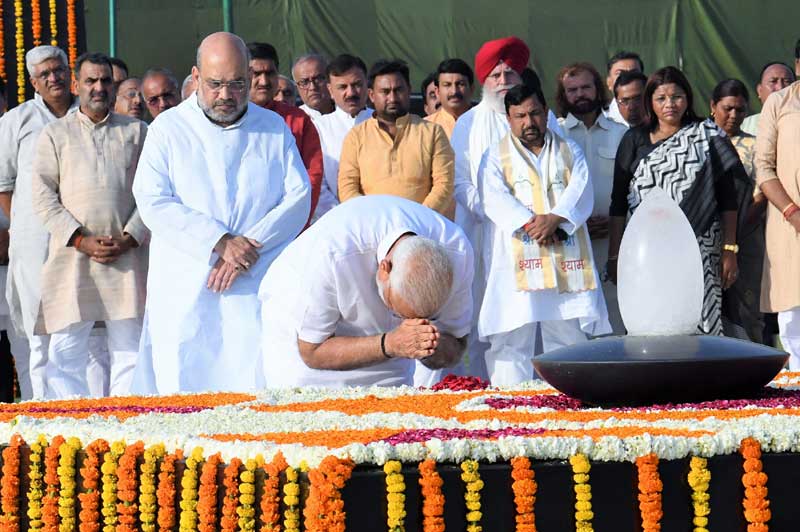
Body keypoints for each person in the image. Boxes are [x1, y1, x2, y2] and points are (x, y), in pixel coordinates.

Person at [131, 32, 310, 394]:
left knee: (256, 384)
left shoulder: (273, 127)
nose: (226, 95)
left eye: (236, 84)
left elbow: (298, 197)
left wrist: (245, 249)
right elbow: (151, 199)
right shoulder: (168, 128)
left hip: (254, 278)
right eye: (215, 85)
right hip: (186, 281)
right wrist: (218, 241)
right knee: (184, 387)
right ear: (196, 77)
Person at [259, 195, 472, 388]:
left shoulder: (458, 252)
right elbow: (312, 352)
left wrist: (428, 342)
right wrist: (390, 343)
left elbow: (456, 343)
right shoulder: (334, 253)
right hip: (304, 346)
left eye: (424, 317)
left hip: (389, 359)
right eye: (399, 313)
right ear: (384, 269)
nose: (409, 322)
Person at [32, 52, 148, 399]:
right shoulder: (55, 134)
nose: (99, 88)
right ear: (76, 85)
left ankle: (130, 430)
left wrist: (131, 236)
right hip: (73, 257)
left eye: (105, 81)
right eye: (91, 81)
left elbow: (154, 193)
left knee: (129, 348)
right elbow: (42, 196)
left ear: (114, 86)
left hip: (126, 256)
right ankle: (72, 428)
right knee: (66, 350)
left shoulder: (137, 132)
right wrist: (80, 239)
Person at [477, 82, 609, 385]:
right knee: (511, 333)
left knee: (566, 330)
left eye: (535, 113)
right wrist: (532, 223)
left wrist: (555, 219)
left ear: (546, 112)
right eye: (520, 116)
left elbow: (580, 190)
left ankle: (568, 396)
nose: (529, 122)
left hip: (563, 253)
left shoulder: (568, 149)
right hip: (516, 257)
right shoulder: (495, 155)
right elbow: (494, 197)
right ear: (508, 119)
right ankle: (509, 404)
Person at [609, 67, 744, 336]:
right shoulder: (634, 139)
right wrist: (615, 254)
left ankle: (704, 377)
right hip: (648, 249)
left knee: (700, 318)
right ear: (650, 102)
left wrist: (730, 249)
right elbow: (619, 202)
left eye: (677, 96)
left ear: (688, 98)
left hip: (701, 249)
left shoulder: (707, 136)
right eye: (661, 98)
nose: (670, 104)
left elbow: (728, 198)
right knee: (653, 318)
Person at [0, 45, 78, 399]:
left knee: (80, 328)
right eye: (44, 74)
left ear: (68, 70)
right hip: (33, 239)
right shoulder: (16, 121)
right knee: (36, 329)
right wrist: (23, 229)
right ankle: (38, 407)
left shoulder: (89, 113)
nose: (53, 78)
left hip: (81, 237)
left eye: (58, 70)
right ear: (33, 81)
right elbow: (3, 185)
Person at [556, 62, 627, 334]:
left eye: (586, 87)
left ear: (598, 89)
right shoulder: (556, 135)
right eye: (572, 90)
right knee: (574, 324)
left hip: (614, 241)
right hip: (571, 242)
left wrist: (617, 223)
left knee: (616, 320)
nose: (580, 94)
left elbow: (634, 190)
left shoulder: (621, 134)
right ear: (564, 96)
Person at [338, 59, 454, 218]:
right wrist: (372, 220)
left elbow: (444, 185)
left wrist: (419, 218)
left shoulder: (432, 132)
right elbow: (347, 188)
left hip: (422, 227)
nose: (392, 98)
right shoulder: (356, 137)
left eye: (398, 90)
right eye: (385, 92)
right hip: (373, 228)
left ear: (409, 91)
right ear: (372, 95)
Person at [710, 79, 766, 343]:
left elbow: (761, 194)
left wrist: (733, 237)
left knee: (748, 311)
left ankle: (755, 376)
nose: (734, 116)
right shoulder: (700, 141)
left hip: (747, 239)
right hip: (706, 240)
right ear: (713, 106)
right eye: (728, 108)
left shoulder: (755, 146)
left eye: (741, 110)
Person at [247, 42, 322, 223]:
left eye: (270, 73)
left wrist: (293, 224)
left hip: (289, 227)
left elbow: (312, 176)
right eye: (256, 74)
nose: (264, 81)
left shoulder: (298, 120)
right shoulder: (228, 118)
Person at [755, 75, 800, 368]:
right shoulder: (779, 102)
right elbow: (763, 167)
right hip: (789, 224)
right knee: (794, 315)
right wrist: (793, 213)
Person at [314, 54, 373, 220]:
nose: (351, 93)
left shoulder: (384, 123)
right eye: (342, 87)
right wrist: (343, 216)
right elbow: (317, 183)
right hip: (337, 220)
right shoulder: (319, 128)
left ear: (367, 85)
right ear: (330, 91)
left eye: (357, 85)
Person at [425, 58, 475, 139]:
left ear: (472, 89)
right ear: (437, 92)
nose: (454, 91)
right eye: (447, 85)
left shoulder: (487, 123)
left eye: (460, 84)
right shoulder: (425, 127)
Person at [741, 62, 795, 135]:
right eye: (773, 81)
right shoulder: (744, 126)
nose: (780, 88)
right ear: (760, 90)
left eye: (787, 81)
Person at [604, 51, 644, 126]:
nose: (627, 77)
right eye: (619, 74)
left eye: (634, 73)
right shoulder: (602, 120)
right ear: (608, 82)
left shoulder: (659, 117)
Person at [292, 53, 335, 120]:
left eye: (318, 79)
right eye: (304, 82)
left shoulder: (348, 113)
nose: (313, 87)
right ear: (297, 88)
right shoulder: (294, 122)